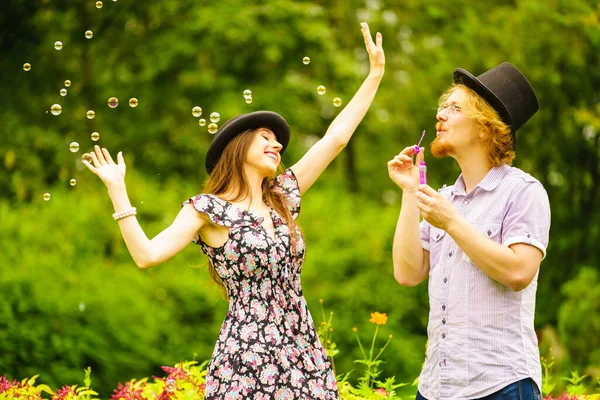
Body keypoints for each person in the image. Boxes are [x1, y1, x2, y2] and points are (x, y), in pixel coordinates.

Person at [83, 22, 384, 399]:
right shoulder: (208, 210)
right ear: (240, 147)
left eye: (279, 143)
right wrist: (118, 190)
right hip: (246, 359)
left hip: (303, 350)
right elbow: (147, 255)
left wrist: (374, 75)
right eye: (266, 139)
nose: (277, 146)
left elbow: (335, 140)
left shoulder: (282, 198)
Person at [388, 62, 550, 400]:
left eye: (454, 108)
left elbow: (519, 271)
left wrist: (452, 224)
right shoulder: (445, 199)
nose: (440, 116)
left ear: (484, 127)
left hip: (500, 385)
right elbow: (407, 272)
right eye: (442, 107)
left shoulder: (523, 192)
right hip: (436, 388)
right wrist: (408, 191)